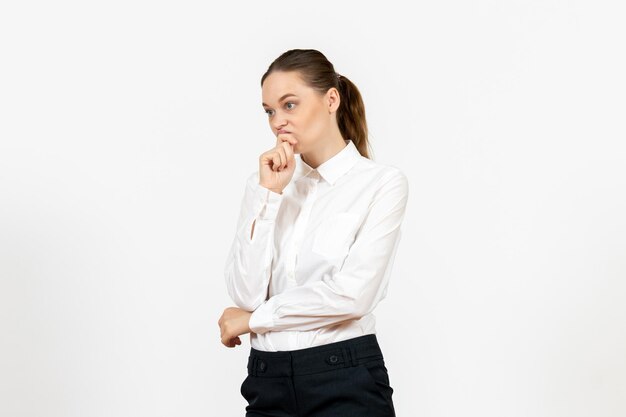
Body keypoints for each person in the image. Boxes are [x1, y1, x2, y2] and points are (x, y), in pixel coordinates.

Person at [218, 48, 408, 417]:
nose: (277, 122)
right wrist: (269, 195)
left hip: (344, 376)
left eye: (290, 105)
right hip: (266, 378)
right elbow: (245, 293)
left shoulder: (380, 184)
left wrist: (253, 321)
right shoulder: (264, 186)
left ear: (331, 99)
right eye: (270, 111)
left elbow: (353, 296)